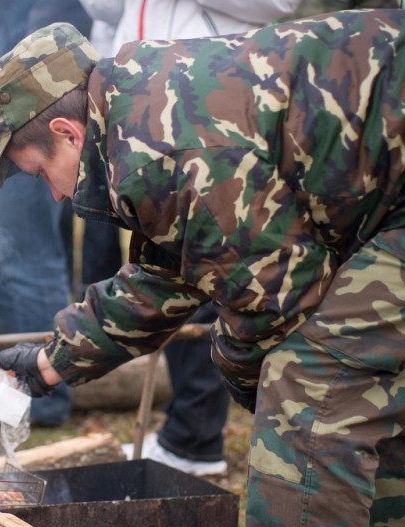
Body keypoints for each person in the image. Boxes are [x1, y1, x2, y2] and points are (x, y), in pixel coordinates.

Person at [0, 12, 405, 527]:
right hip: (385, 202)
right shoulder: (140, 104)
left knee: (309, 387)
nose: (54, 194)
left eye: (42, 173)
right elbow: (168, 274)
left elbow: (273, 307)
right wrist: (50, 362)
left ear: (67, 133)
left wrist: (252, 389)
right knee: (348, 382)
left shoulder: (161, 152)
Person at [75, 0, 304, 476]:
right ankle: (188, 431)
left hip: (217, 96)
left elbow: (282, 4)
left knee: (213, 278)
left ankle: (199, 438)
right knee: (172, 271)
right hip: (145, 107)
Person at [0, 0, 92, 426]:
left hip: (32, 115)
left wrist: (21, 115)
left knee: (28, 263)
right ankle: (7, 385)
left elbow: (58, 16)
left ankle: (44, 396)